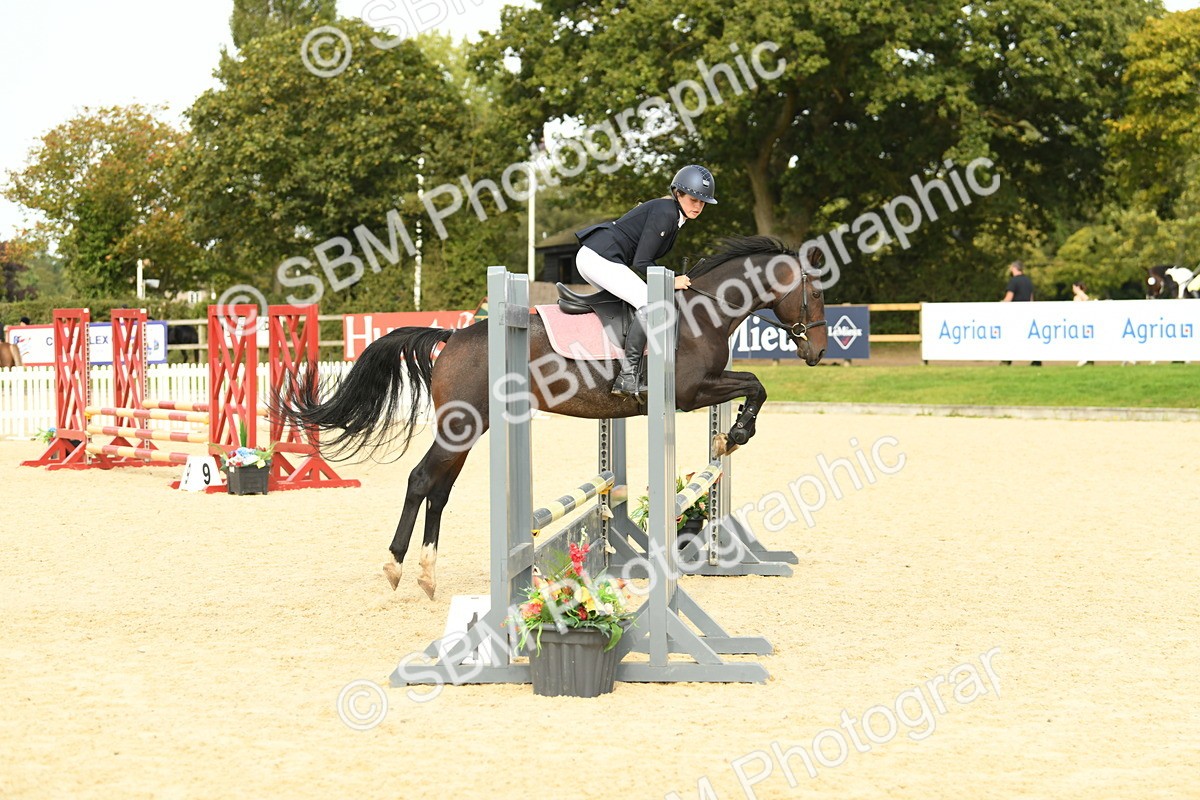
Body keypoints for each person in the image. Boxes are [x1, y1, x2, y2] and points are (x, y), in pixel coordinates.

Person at [573, 164, 717, 398]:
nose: (698, 206)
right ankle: (627, 376)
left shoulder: (672, 215)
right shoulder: (666, 213)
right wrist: (671, 280)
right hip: (599, 257)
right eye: (694, 199)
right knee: (649, 304)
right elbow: (642, 262)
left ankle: (617, 365)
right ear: (678, 193)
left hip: (597, 257)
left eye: (703, 202)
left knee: (634, 305)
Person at [1000, 261, 1039, 365]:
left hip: (1015, 313)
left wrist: (1001, 305)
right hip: (1027, 312)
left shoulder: (1014, 281)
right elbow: (1031, 299)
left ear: (1014, 268)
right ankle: (1036, 359)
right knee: (1028, 336)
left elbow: (1009, 298)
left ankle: (1007, 359)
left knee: (1010, 335)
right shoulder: (1028, 281)